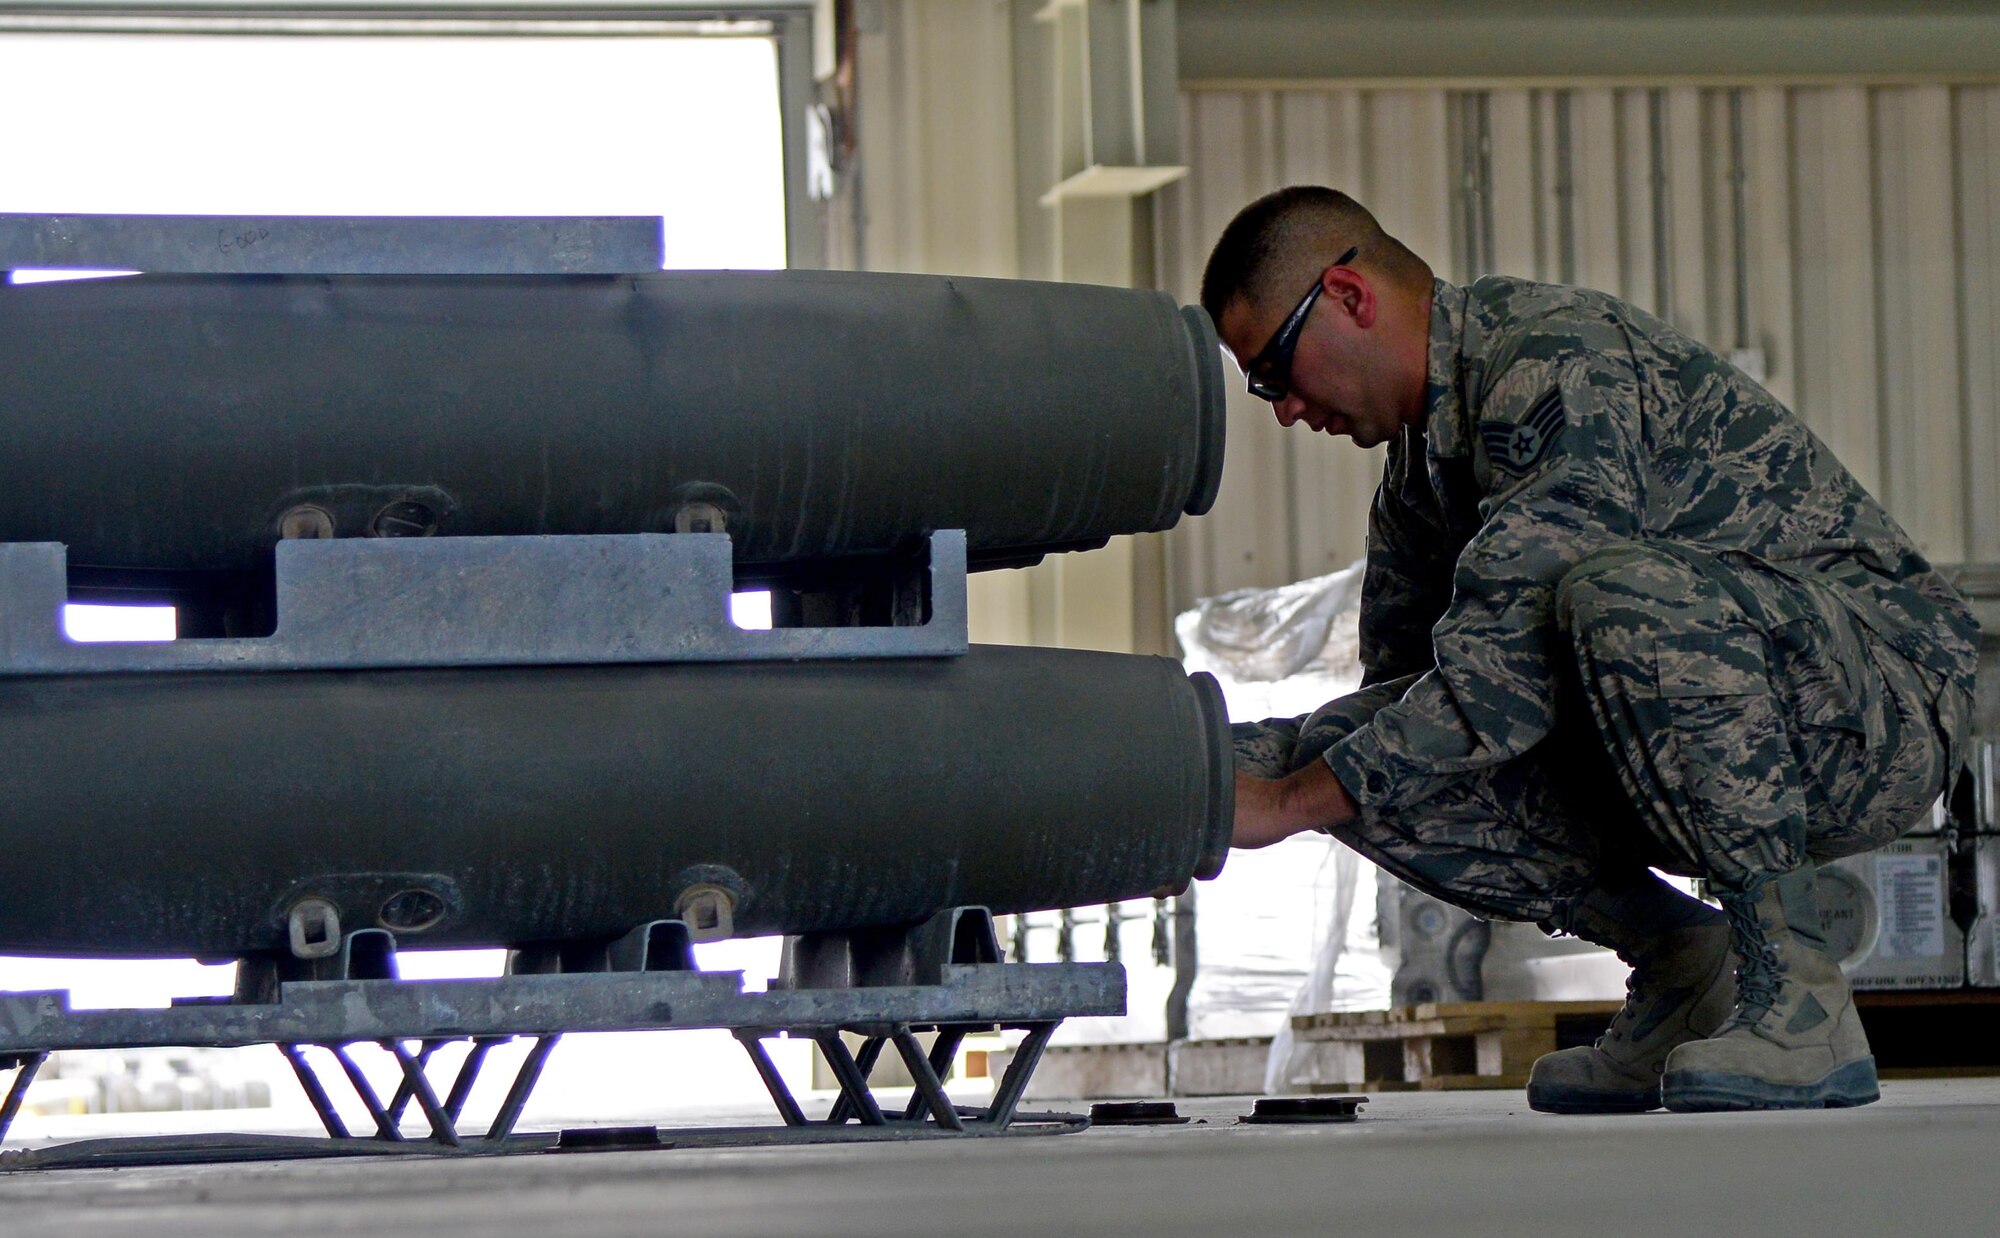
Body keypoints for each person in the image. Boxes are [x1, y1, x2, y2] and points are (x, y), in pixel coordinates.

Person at [1205, 185, 1976, 1114]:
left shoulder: (1551, 362)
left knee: (1617, 600)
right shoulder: (1417, 480)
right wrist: (1225, 782)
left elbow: (1502, 676)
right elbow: (1406, 716)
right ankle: (1683, 964)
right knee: (1349, 751)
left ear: (1348, 296)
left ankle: (1802, 998)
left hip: (1874, 708)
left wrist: (1291, 802)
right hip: (1682, 725)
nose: (1284, 410)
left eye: (1273, 373)